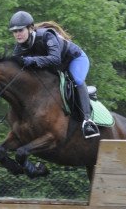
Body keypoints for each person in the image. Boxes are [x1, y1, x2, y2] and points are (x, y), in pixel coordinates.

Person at [9, 10, 100, 139]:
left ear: (30, 28)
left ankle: (87, 122)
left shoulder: (46, 36)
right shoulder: (19, 48)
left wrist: (31, 60)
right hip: (57, 67)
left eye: (20, 30)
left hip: (75, 59)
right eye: (14, 31)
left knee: (77, 80)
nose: (17, 34)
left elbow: (55, 59)